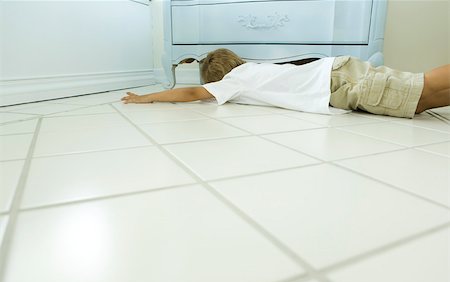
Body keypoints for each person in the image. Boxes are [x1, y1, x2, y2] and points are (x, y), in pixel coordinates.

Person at [121, 48, 450, 119]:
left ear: (217, 78)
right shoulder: (250, 71)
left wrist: (147, 98)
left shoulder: (233, 81)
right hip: (338, 75)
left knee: (421, 88)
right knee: (419, 100)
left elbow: (193, 93)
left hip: (336, 83)